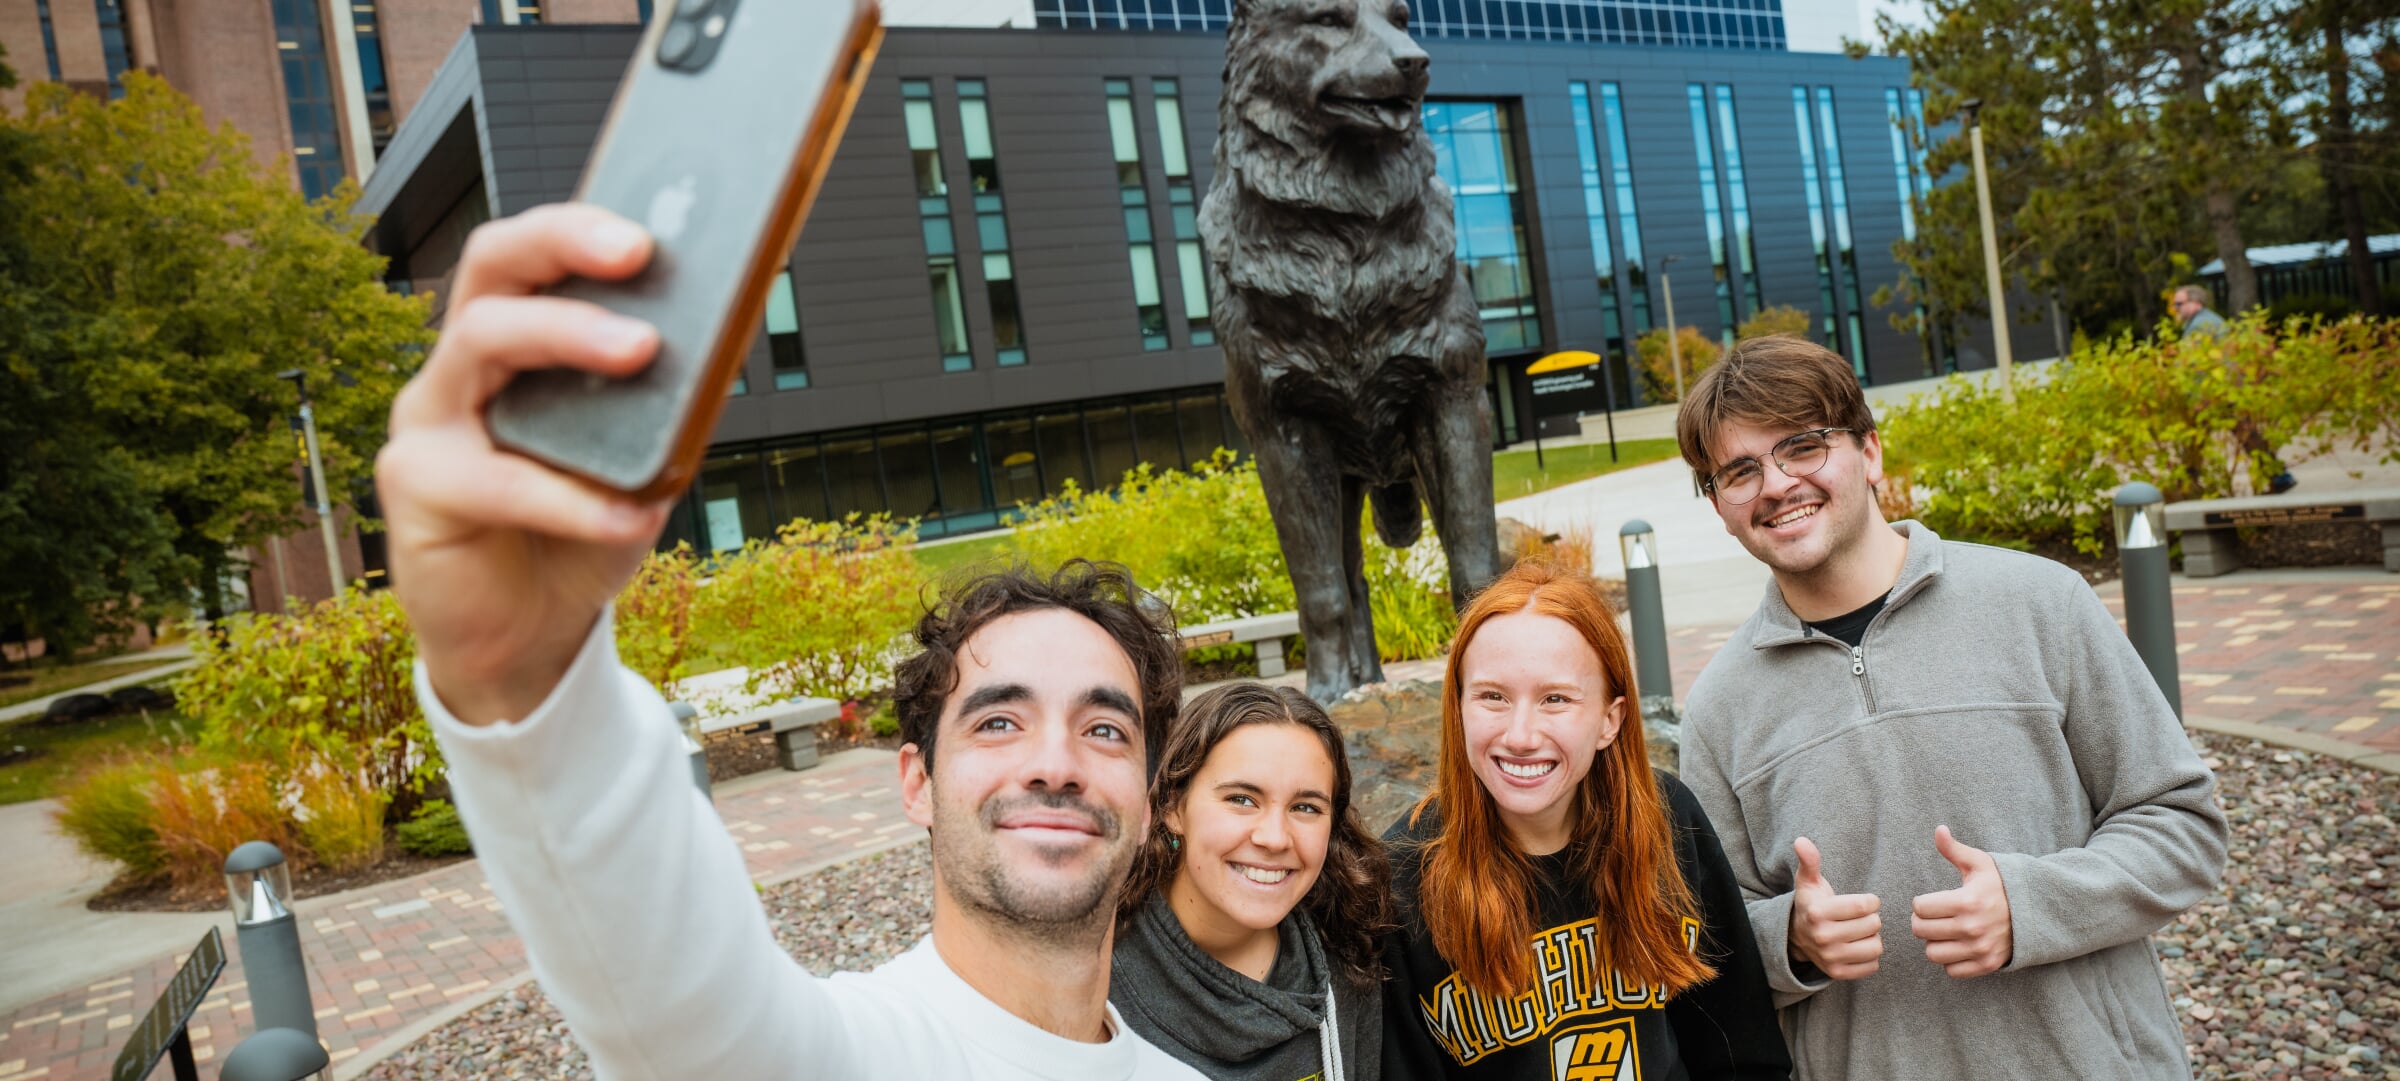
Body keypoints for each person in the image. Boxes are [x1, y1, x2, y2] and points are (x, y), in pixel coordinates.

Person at [376, 202, 1206, 1080]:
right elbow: (678, 999)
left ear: (1152, 801)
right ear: (917, 782)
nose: (1056, 762)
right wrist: (525, 677)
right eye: (997, 722)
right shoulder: (836, 1054)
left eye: (1104, 728)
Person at [1672, 335, 2230, 1080]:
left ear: (1870, 452)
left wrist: (2031, 903)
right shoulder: (1717, 708)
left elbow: (2183, 825)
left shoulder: (2040, 603)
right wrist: (1791, 939)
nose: (1774, 484)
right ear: (1720, 505)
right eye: (1739, 471)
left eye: (1802, 447)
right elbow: (1705, 940)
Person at [1379, 561, 1789, 1081]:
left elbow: (1738, 1046)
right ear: (1457, 709)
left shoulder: (1669, 823)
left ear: (1609, 720)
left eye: (1556, 699)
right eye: (1492, 697)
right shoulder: (1402, 876)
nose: (1521, 735)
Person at [1110, 682, 1391, 1080]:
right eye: (1241, 799)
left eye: (1306, 807)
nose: (1275, 838)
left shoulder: (1347, 954)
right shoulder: (1095, 975)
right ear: (1172, 805)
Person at [2175, 283, 2296, 493]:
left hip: (2214, 393)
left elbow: (2194, 365)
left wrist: (2195, 395)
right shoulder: (2207, 320)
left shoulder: (2200, 325)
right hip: (2224, 390)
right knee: (2243, 434)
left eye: (2179, 304)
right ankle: (2278, 476)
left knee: (2200, 437)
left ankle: (2185, 484)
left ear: (2195, 303)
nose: (2176, 309)